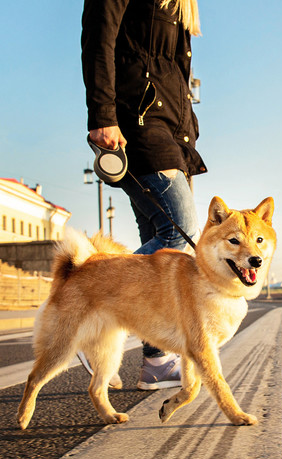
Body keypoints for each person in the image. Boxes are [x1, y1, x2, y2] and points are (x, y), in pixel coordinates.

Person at [80, 0, 205, 390]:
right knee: (179, 231)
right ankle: (85, 312)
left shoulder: (181, 6)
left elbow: (175, 76)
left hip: (173, 130)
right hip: (138, 122)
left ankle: (155, 359)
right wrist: (102, 116)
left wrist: (189, 137)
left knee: (159, 243)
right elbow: (98, 40)